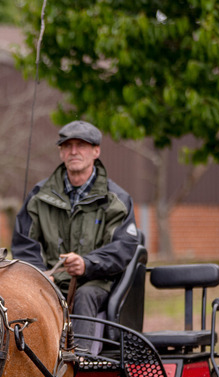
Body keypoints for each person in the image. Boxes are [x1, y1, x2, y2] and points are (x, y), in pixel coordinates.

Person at [11, 120, 140, 347]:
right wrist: (38, 275)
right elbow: (23, 243)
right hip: (50, 281)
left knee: (86, 294)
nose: (74, 151)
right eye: (67, 145)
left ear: (96, 151)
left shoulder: (117, 200)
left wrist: (87, 264)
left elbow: (123, 247)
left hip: (97, 282)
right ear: (61, 153)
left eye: (81, 145)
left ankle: (80, 361)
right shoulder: (39, 196)